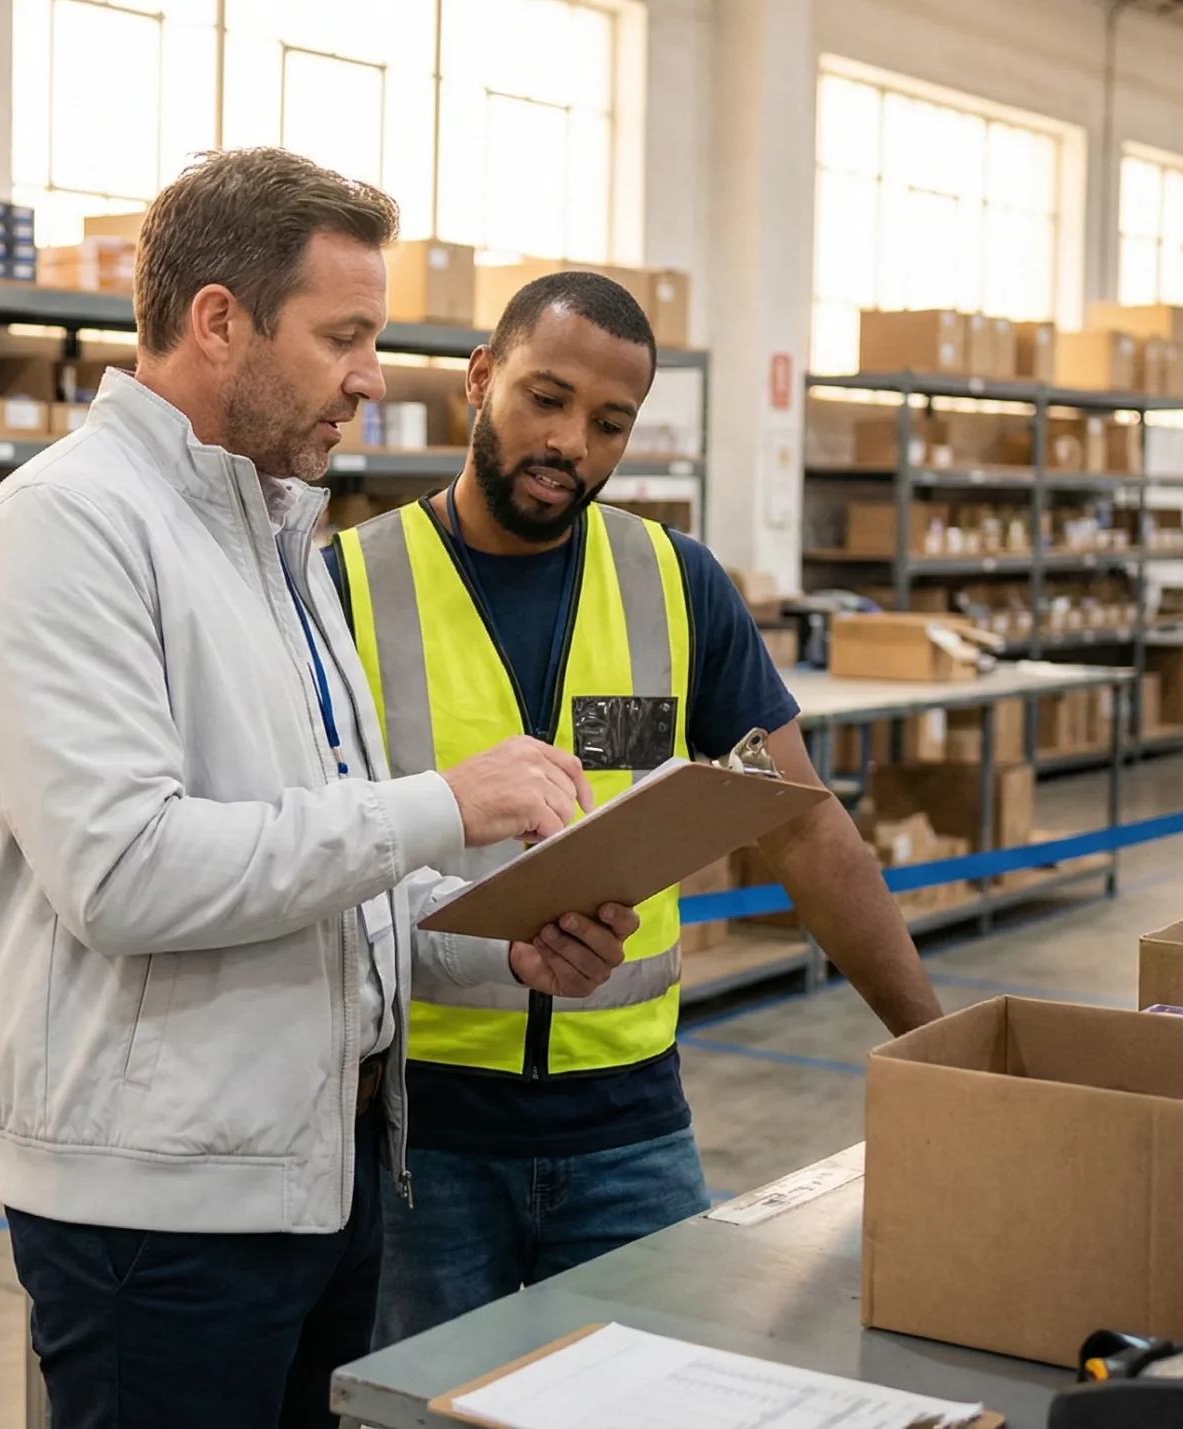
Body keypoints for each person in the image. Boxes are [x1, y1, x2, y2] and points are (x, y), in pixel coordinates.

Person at [0, 150, 647, 1429]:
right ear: (220, 322)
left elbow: (330, 869)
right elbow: (124, 871)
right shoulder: (65, 528)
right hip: (158, 1213)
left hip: (320, 1174)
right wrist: (448, 801)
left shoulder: (276, 540)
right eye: (344, 337)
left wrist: (509, 948)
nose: (372, 378)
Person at [325, 271, 948, 1346]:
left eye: (609, 422)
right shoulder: (346, 584)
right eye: (545, 398)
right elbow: (307, 846)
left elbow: (799, 821)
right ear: (480, 380)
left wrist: (935, 1047)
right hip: (418, 1138)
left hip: (628, 1126)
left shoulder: (675, 581)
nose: (571, 441)